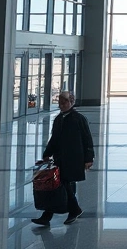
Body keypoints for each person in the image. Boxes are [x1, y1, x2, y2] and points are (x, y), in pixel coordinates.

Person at [32, 92, 95, 227]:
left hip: (74, 159)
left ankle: (68, 211)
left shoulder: (79, 119)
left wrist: (89, 158)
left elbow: (87, 139)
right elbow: (54, 139)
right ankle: (52, 214)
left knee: (64, 183)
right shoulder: (59, 119)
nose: (61, 105)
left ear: (71, 102)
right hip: (60, 158)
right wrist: (47, 153)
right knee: (56, 184)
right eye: (60, 103)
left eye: (64, 102)